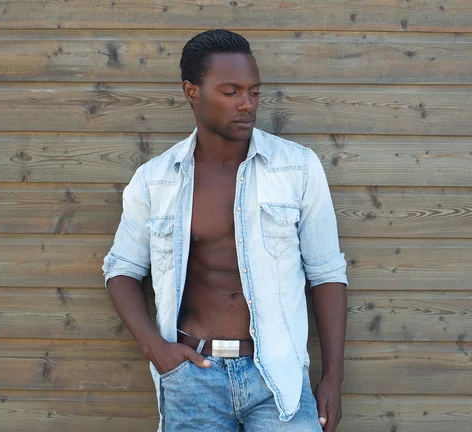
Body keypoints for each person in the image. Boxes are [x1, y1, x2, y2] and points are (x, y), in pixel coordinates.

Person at [102, 29, 348, 432]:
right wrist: (155, 349)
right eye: (230, 91)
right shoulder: (156, 180)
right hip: (192, 375)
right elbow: (122, 269)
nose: (247, 104)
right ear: (191, 91)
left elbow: (327, 274)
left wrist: (333, 378)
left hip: (277, 376)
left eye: (253, 91)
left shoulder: (297, 168)